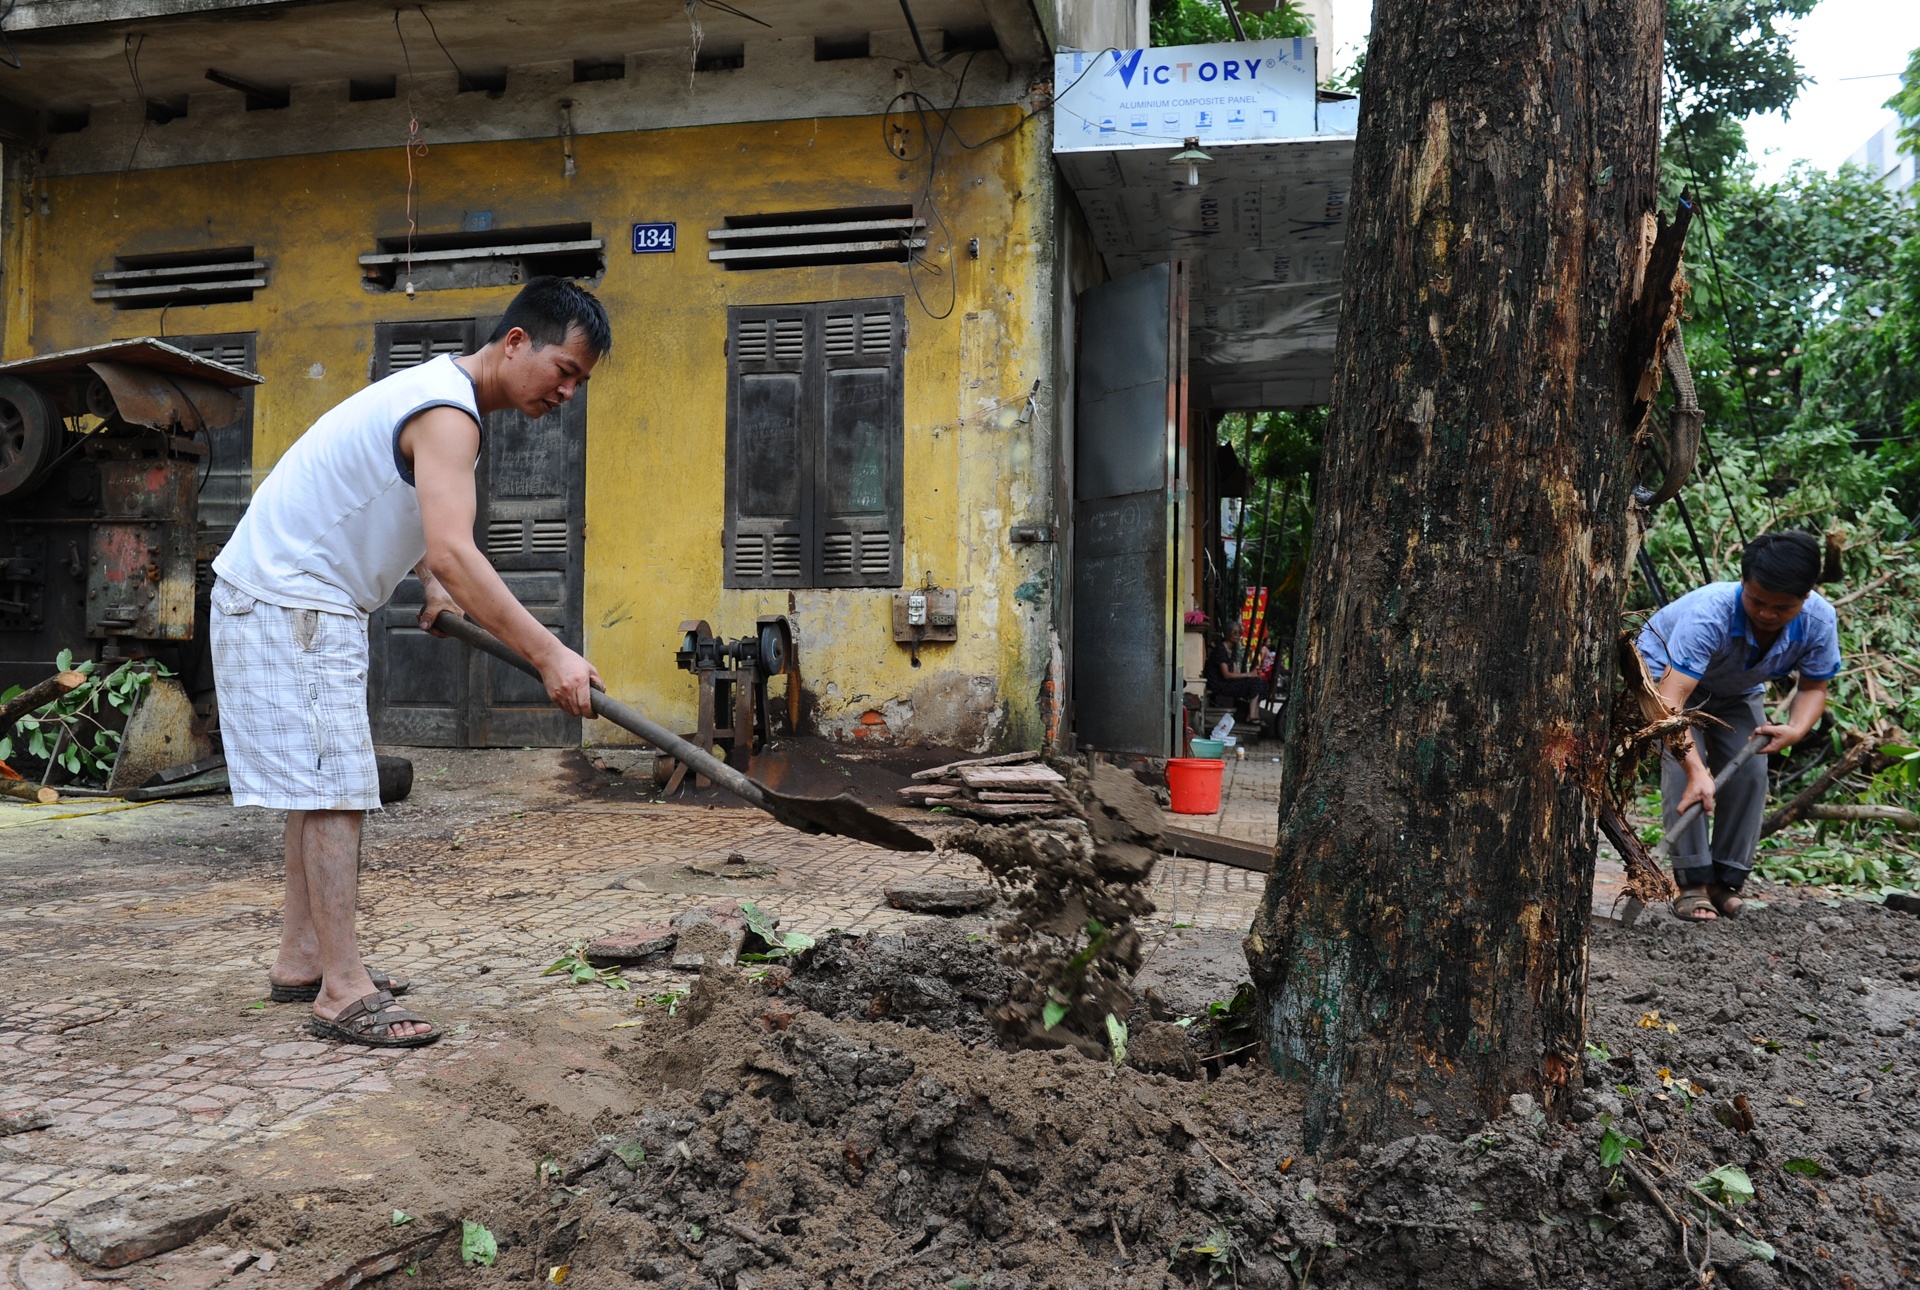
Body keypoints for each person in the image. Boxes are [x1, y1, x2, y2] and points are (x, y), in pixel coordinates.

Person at [210, 277, 612, 1046]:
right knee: (336, 791)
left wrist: (429, 583)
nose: (567, 392)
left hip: (280, 594)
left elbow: (409, 516)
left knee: (317, 785)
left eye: (579, 384)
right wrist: (551, 652)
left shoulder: (435, 393)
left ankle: (304, 958)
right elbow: (456, 550)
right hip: (291, 598)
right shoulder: (449, 414)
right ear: (517, 342)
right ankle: (343, 991)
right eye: (564, 370)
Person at [1637, 531, 1841, 922]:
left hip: (1736, 688)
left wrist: (1796, 729)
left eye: (1782, 607)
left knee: (1750, 772)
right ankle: (1693, 883)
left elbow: (1814, 686)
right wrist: (1698, 771)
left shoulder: (1819, 620)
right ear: (1743, 583)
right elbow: (1669, 701)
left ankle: (1725, 883)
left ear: (1807, 596)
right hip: (1666, 682)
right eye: (1757, 601)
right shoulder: (1708, 613)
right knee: (1684, 773)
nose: (1767, 614)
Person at [1204, 622, 1268, 707]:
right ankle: (1251, 715)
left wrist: (1252, 675)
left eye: (1239, 633)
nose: (1238, 635)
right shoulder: (1220, 650)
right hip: (1220, 685)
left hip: (1228, 683)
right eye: (1235, 632)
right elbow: (1226, 675)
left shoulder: (1232, 650)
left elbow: (1235, 672)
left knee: (1261, 682)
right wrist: (1248, 675)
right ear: (1228, 633)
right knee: (1255, 683)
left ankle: (1255, 714)